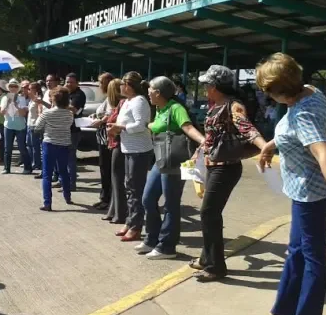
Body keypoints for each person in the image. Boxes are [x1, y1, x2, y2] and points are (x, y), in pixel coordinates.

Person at [253, 53, 326, 315]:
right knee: (295, 252)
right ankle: (282, 312)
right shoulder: (310, 92)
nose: (265, 96)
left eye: (266, 91)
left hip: (312, 193)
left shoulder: (303, 113)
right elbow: (294, 132)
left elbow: (322, 152)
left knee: (312, 258)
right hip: (302, 192)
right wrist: (272, 143)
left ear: (278, 90)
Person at [190, 65, 268, 282]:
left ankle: (215, 267)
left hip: (226, 168)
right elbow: (212, 136)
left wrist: (264, 147)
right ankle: (207, 259)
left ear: (214, 86)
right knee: (208, 214)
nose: (205, 88)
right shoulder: (217, 105)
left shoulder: (234, 106)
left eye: (207, 84)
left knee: (209, 213)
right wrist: (200, 152)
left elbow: (246, 128)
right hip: (213, 165)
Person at [137, 76, 205, 259]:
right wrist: (149, 125)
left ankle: (167, 247)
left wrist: (205, 142)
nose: (148, 92)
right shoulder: (160, 108)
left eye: (150, 89)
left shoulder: (176, 108)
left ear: (158, 93)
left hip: (174, 161)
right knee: (148, 198)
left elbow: (188, 128)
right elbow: (157, 125)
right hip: (160, 160)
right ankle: (152, 239)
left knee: (171, 203)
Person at [107, 72, 153, 243]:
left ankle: (136, 226)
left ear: (130, 86)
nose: (120, 87)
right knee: (129, 186)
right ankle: (130, 221)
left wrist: (120, 127)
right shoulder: (127, 101)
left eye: (123, 84)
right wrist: (116, 126)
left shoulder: (140, 101)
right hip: (128, 149)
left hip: (139, 150)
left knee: (135, 188)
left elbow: (141, 125)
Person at [34, 88, 74, 210]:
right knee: (64, 171)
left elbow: (37, 127)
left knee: (47, 174)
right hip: (64, 144)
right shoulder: (69, 114)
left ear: (54, 99)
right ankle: (67, 196)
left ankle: (47, 203)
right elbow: (69, 125)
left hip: (49, 143)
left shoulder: (47, 113)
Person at [102, 79, 127, 225]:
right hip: (115, 142)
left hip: (119, 143)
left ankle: (119, 213)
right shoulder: (121, 104)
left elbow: (117, 121)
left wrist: (110, 122)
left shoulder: (124, 103)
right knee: (114, 178)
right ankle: (113, 210)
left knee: (117, 179)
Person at [90, 73, 115, 210]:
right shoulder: (106, 99)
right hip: (102, 138)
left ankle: (108, 199)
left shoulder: (112, 99)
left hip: (107, 140)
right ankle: (104, 197)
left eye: (100, 82)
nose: (99, 85)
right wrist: (95, 116)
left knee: (107, 169)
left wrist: (101, 120)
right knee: (104, 169)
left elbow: (111, 114)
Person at [0, 80, 33, 174]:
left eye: (15, 86)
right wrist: (8, 103)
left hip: (20, 126)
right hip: (8, 125)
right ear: (8, 88)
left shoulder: (21, 98)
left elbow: (23, 113)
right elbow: (2, 112)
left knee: (22, 147)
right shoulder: (5, 98)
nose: (13, 88)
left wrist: (16, 104)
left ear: (17, 88)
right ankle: (7, 168)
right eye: (11, 86)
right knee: (8, 148)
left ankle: (27, 167)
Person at [63, 73, 87, 190]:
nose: (68, 84)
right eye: (67, 82)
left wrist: (61, 103)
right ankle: (63, 181)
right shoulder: (66, 93)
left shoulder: (79, 95)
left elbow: (74, 110)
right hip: (63, 129)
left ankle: (71, 184)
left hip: (73, 130)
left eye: (71, 82)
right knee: (63, 157)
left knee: (70, 158)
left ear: (77, 83)